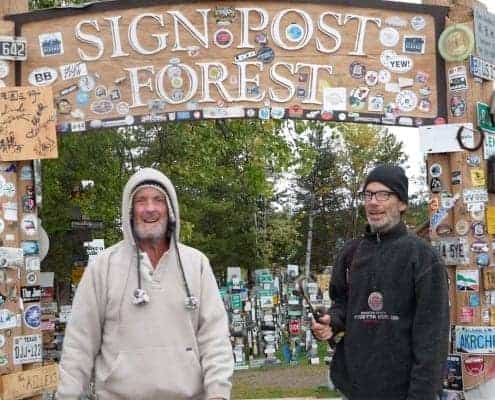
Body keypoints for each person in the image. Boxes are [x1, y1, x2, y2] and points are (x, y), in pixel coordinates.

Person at [57, 168, 234, 400]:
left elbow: (215, 338)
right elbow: (79, 343)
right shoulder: (103, 267)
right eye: (141, 201)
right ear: (130, 210)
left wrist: (218, 393)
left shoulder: (196, 264)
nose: (150, 208)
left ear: (170, 209)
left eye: (158, 200)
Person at [312, 164, 449, 400]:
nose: (374, 202)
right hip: (355, 388)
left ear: (402, 203)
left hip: (405, 391)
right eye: (368, 194)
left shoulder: (423, 258)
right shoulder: (350, 253)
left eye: (384, 195)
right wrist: (331, 322)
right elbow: (342, 305)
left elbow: (432, 341)